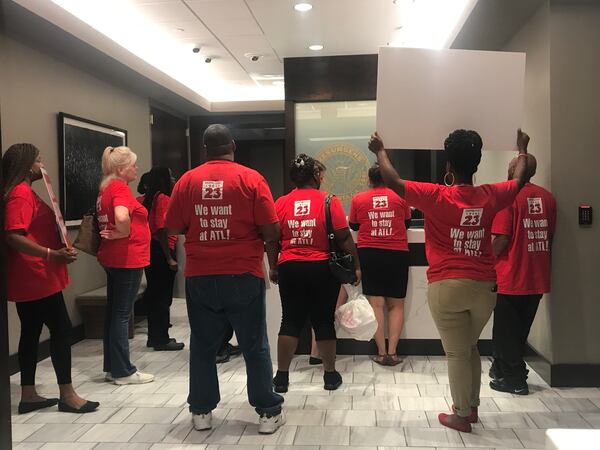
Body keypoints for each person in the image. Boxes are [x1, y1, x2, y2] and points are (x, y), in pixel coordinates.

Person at [368, 128, 530, 433]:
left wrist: (380, 150)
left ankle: (461, 413)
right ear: (477, 164)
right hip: (484, 287)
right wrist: (521, 149)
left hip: (447, 285)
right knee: (470, 348)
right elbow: (519, 180)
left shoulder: (435, 195)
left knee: (456, 352)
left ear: (448, 167)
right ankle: (472, 408)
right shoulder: (491, 195)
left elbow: (393, 181)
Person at [165, 124, 284, 434]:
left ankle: (201, 412)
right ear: (233, 145)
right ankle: (268, 413)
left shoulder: (186, 181)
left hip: (200, 276)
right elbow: (271, 231)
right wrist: (272, 262)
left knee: (203, 345)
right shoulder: (251, 178)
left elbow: (173, 227)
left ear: (205, 149)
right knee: (254, 344)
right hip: (243, 273)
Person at [2, 143, 99, 414]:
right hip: (36, 276)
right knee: (61, 329)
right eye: (38, 159)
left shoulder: (20, 192)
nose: (41, 164)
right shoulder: (21, 194)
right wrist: (51, 255)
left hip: (29, 276)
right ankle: (68, 395)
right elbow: (13, 235)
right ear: (26, 164)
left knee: (31, 333)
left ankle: (29, 394)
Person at [271, 154, 360, 393]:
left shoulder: (280, 203)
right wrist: (357, 266)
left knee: (289, 320)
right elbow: (344, 238)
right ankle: (330, 376)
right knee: (323, 321)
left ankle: (281, 377)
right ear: (313, 176)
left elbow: (272, 240)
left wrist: (273, 266)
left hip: (289, 266)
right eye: (320, 173)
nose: (322, 177)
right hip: (321, 268)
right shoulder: (329, 201)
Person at [489, 154, 556, 395]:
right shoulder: (548, 198)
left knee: (506, 331)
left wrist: (486, 263)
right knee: (520, 331)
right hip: (537, 275)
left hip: (510, 275)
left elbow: (502, 238)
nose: (508, 165)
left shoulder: (507, 197)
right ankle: (502, 370)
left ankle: (515, 379)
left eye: (511, 163)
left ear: (516, 169)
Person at [96, 145, 153, 385]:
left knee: (113, 313)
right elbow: (121, 218)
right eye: (132, 165)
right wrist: (122, 233)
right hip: (127, 258)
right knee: (121, 315)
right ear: (121, 169)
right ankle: (123, 371)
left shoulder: (105, 188)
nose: (136, 169)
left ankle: (112, 367)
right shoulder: (119, 188)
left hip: (113, 258)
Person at [349, 163, 412, 366]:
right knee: (396, 305)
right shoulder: (401, 197)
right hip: (397, 254)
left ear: (370, 180)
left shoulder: (359, 199)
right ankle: (393, 353)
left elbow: (353, 225)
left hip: (370, 254)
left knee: (376, 304)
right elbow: (407, 222)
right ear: (388, 177)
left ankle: (381, 352)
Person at [142, 167, 184, 351]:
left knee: (155, 295)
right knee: (162, 297)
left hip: (152, 250)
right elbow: (162, 229)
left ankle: (155, 336)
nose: (174, 179)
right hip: (161, 251)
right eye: (171, 176)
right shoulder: (163, 199)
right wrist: (169, 258)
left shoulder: (151, 198)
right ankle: (161, 338)